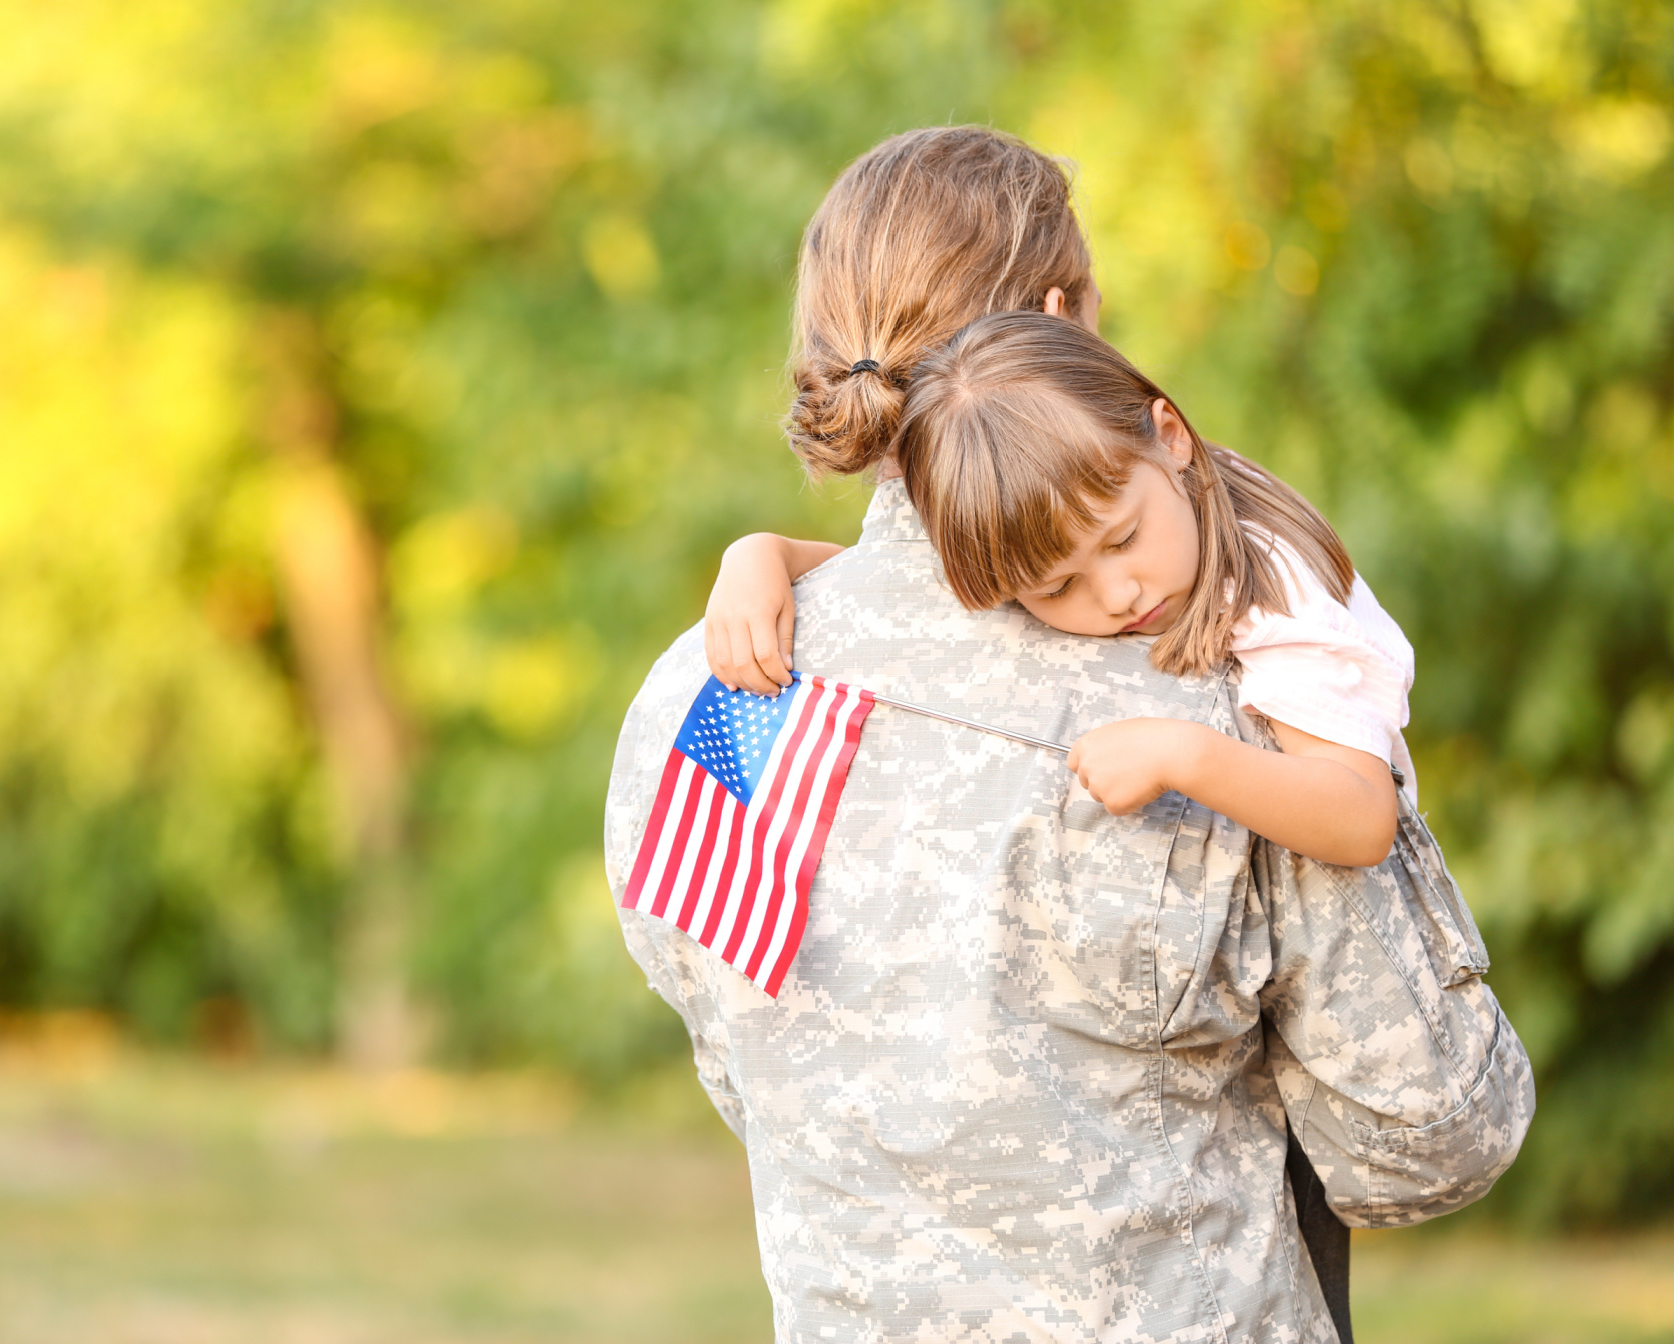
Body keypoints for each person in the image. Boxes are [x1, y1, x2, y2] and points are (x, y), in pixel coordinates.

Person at [607, 125, 1533, 1343]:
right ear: (1063, 318)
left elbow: (746, 1059)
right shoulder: (1226, 709)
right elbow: (1427, 1137)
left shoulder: (714, 686)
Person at [706, 310, 1414, 870]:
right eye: (1057, 586)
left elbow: (1362, 820)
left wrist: (1186, 754)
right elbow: (903, 586)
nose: (1117, 595)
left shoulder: (1268, 589)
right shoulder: (1116, 494)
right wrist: (765, 555)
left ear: (1170, 436)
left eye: (1123, 540)